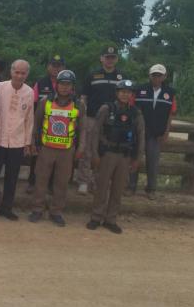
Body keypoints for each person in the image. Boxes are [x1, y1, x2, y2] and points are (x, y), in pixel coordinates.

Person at [86, 79, 145, 234]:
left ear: (132, 95)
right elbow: (96, 131)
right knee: (101, 187)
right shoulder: (107, 109)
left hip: (125, 155)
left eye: (128, 92)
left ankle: (111, 219)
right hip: (108, 153)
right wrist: (94, 153)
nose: (125, 95)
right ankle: (96, 217)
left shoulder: (136, 113)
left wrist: (138, 158)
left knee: (118, 189)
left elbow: (141, 135)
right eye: (122, 92)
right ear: (117, 93)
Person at [28, 70, 84, 226]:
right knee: (41, 180)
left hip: (66, 150)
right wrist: (32, 142)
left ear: (72, 86)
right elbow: (36, 123)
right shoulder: (45, 101)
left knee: (61, 183)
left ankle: (56, 211)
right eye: (62, 84)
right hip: (47, 149)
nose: (64, 87)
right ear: (56, 85)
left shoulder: (79, 105)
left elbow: (83, 129)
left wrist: (81, 147)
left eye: (68, 84)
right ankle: (37, 209)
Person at [0, 59, 34, 221]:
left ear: (27, 74)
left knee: (12, 178)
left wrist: (27, 142)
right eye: (16, 72)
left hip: (17, 142)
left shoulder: (29, 92)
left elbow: (29, 119)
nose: (19, 76)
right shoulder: (0, 87)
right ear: (11, 72)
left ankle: (6, 208)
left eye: (23, 73)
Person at [76, 45, 128, 195]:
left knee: (104, 151)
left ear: (116, 59)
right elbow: (84, 97)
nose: (109, 60)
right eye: (107, 57)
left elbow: (127, 98)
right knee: (87, 150)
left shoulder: (122, 77)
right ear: (101, 58)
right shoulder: (92, 75)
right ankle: (84, 181)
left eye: (112, 57)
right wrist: (83, 117)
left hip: (112, 122)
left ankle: (97, 181)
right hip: (92, 118)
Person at [129, 64, 177, 200]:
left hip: (156, 133)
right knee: (134, 159)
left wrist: (166, 132)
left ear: (164, 77)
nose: (156, 78)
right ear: (149, 76)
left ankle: (151, 189)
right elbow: (130, 108)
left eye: (159, 75)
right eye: (154, 75)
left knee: (153, 161)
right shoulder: (139, 89)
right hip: (138, 132)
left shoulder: (170, 93)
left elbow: (171, 113)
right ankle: (130, 187)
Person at [27, 54, 66, 193]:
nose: (56, 68)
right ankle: (32, 183)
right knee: (36, 156)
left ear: (63, 67)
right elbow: (33, 104)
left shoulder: (69, 84)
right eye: (53, 65)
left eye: (59, 66)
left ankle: (51, 185)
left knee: (56, 158)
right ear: (48, 67)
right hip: (42, 125)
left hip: (61, 128)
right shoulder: (40, 83)